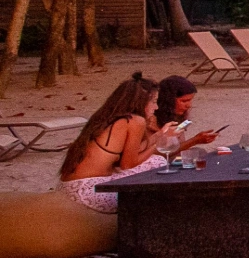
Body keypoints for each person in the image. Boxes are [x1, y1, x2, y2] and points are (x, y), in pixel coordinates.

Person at [58, 73, 181, 213]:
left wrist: (160, 135)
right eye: (153, 102)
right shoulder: (135, 121)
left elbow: (133, 152)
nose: (156, 107)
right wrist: (157, 145)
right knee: (157, 162)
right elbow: (128, 164)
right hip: (87, 191)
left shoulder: (110, 117)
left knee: (154, 161)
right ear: (141, 102)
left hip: (70, 188)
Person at [152, 75, 222, 152]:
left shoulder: (176, 115)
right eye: (184, 101)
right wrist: (195, 140)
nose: (189, 105)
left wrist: (197, 140)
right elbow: (159, 152)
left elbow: (178, 146)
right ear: (168, 100)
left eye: (190, 100)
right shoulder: (151, 121)